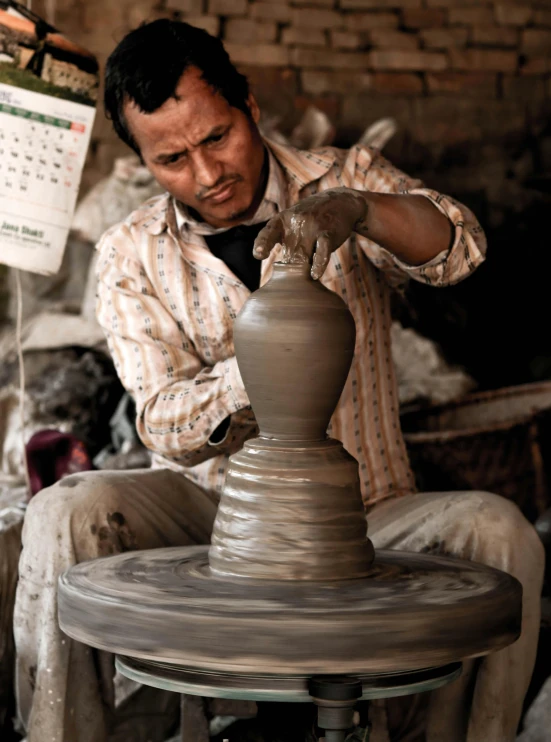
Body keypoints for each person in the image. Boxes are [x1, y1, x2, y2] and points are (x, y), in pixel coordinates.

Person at [13, 19, 544, 742]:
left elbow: (461, 250)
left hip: (362, 511)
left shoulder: (342, 177)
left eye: (217, 137)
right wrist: (258, 375)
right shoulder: (130, 251)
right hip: (206, 515)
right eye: (171, 158)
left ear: (250, 106)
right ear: (141, 159)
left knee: (502, 532)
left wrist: (361, 214)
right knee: (60, 513)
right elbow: (163, 419)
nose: (206, 174)